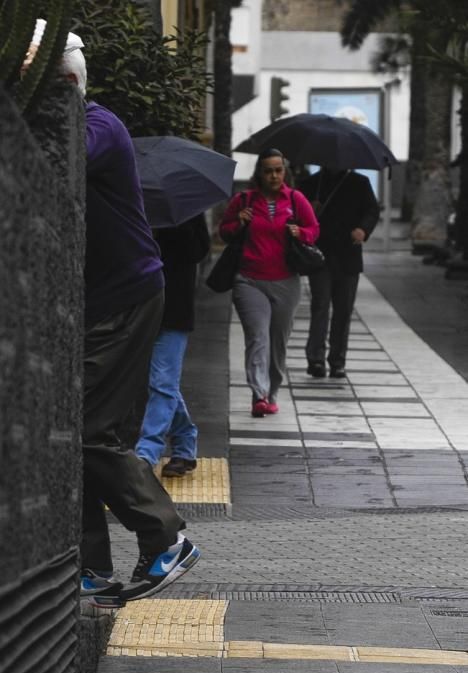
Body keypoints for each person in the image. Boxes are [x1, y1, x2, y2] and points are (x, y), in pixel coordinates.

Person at [25, 20, 200, 607]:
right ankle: (88, 567)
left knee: (88, 430)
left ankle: (165, 537)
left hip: (125, 298)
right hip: (96, 304)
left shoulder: (99, 127)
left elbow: (60, 152)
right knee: (70, 433)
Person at [219, 148, 320, 417]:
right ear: (259, 173)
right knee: (257, 337)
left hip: (286, 281)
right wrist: (238, 222)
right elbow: (224, 231)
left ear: (284, 171)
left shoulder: (296, 200)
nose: (274, 175)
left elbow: (313, 230)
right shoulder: (244, 200)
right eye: (268, 170)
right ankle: (258, 394)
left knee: (278, 341)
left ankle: (273, 391)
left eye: (278, 170)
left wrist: (301, 233)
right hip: (249, 280)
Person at [135, 215, 210, 477]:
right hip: (139, 307)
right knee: (157, 382)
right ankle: (185, 443)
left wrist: (173, 225)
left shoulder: (186, 208)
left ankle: (146, 453)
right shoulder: (136, 203)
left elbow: (198, 250)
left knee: (162, 383)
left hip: (173, 309)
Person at [297, 167, 380, 378]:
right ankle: (315, 359)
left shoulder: (360, 183)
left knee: (343, 311)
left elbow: (372, 210)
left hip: (348, 255)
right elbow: (294, 215)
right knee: (320, 306)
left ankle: (337, 360)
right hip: (320, 255)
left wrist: (363, 229)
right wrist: (309, 212)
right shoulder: (311, 184)